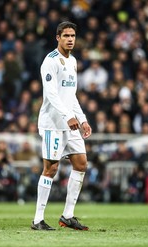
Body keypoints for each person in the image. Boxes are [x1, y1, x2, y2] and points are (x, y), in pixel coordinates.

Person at [31, 21, 92, 231]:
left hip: (70, 123)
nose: (70, 39)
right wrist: (68, 116)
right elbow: (51, 94)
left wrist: (82, 118)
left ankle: (67, 216)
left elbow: (70, 95)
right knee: (51, 169)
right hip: (53, 124)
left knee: (81, 163)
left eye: (73, 35)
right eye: (66, 35)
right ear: (57, 37)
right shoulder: (50, 61)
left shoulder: (73, 61)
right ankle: (38, 219)